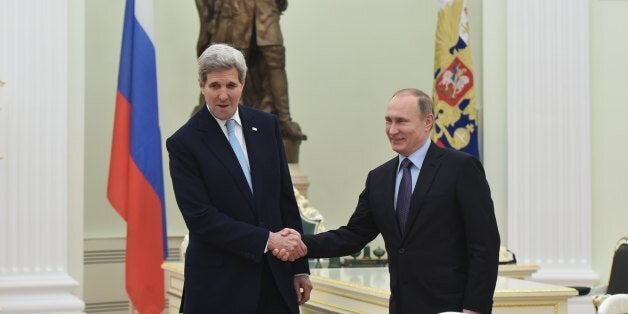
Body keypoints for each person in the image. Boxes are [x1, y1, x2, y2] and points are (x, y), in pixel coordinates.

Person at [276, 88, 500, 313]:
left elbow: (484, 244)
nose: (393, 130)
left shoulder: (460, 168)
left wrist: (475, 308)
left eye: (402, 121)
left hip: (452, 308)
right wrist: (303, 244)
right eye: (388, 121)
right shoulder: (379, 178)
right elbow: (353, 235)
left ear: (428, 122)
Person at [167, 43, 311, 314]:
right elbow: (201, 218)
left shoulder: (266, 126)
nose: (223, 95)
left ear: (242, 84)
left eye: (231, 85)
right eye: (214, 86)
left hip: (274, 281)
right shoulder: (184, 143)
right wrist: (267, 240)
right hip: (219, 287)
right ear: (202, 86)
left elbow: (284, 200)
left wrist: (298, 269)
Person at [194, 0, 305, 141]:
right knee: (236, 66)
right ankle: (236, 122)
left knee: (276, 61)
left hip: (267, 12)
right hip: (238, 14)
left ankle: (284, 120)